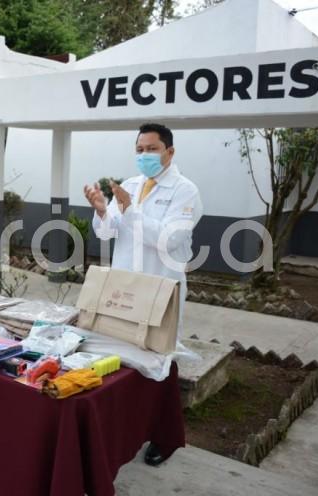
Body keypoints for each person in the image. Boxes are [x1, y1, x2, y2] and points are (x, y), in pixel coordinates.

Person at [83, 122, 202, 467]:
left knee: (159, 366)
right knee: (122, 364)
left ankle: (163, 437)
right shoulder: (131, 185)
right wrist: (102, 210)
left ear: (170, 151)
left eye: (151, 149)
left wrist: (130, 210)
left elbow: (171, 240)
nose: (144, 155)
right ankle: (123, 433)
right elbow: (109, 234)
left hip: (160, 289)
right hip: (124, 288)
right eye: (139, 150)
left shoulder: (185, 191)